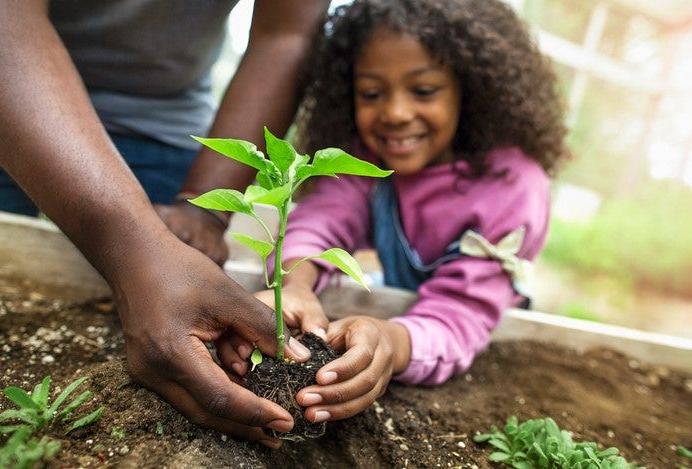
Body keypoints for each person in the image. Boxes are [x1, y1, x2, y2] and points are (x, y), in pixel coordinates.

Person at [0, 0, 330, 447]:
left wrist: (203, 209)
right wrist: (134, 250)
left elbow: (286, 34)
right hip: (4, 87)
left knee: (182, 292)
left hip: (162, 124)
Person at [220, 0, 570, 425]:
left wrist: (391, 340)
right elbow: (320, 223)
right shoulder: (367, 162)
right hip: (407, 302)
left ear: (472, 88)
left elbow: (461, 315)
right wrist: (294, 286)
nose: (396, 114)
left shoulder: (512, 186)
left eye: (423, 90)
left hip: (477, 322)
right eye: (371, 93)